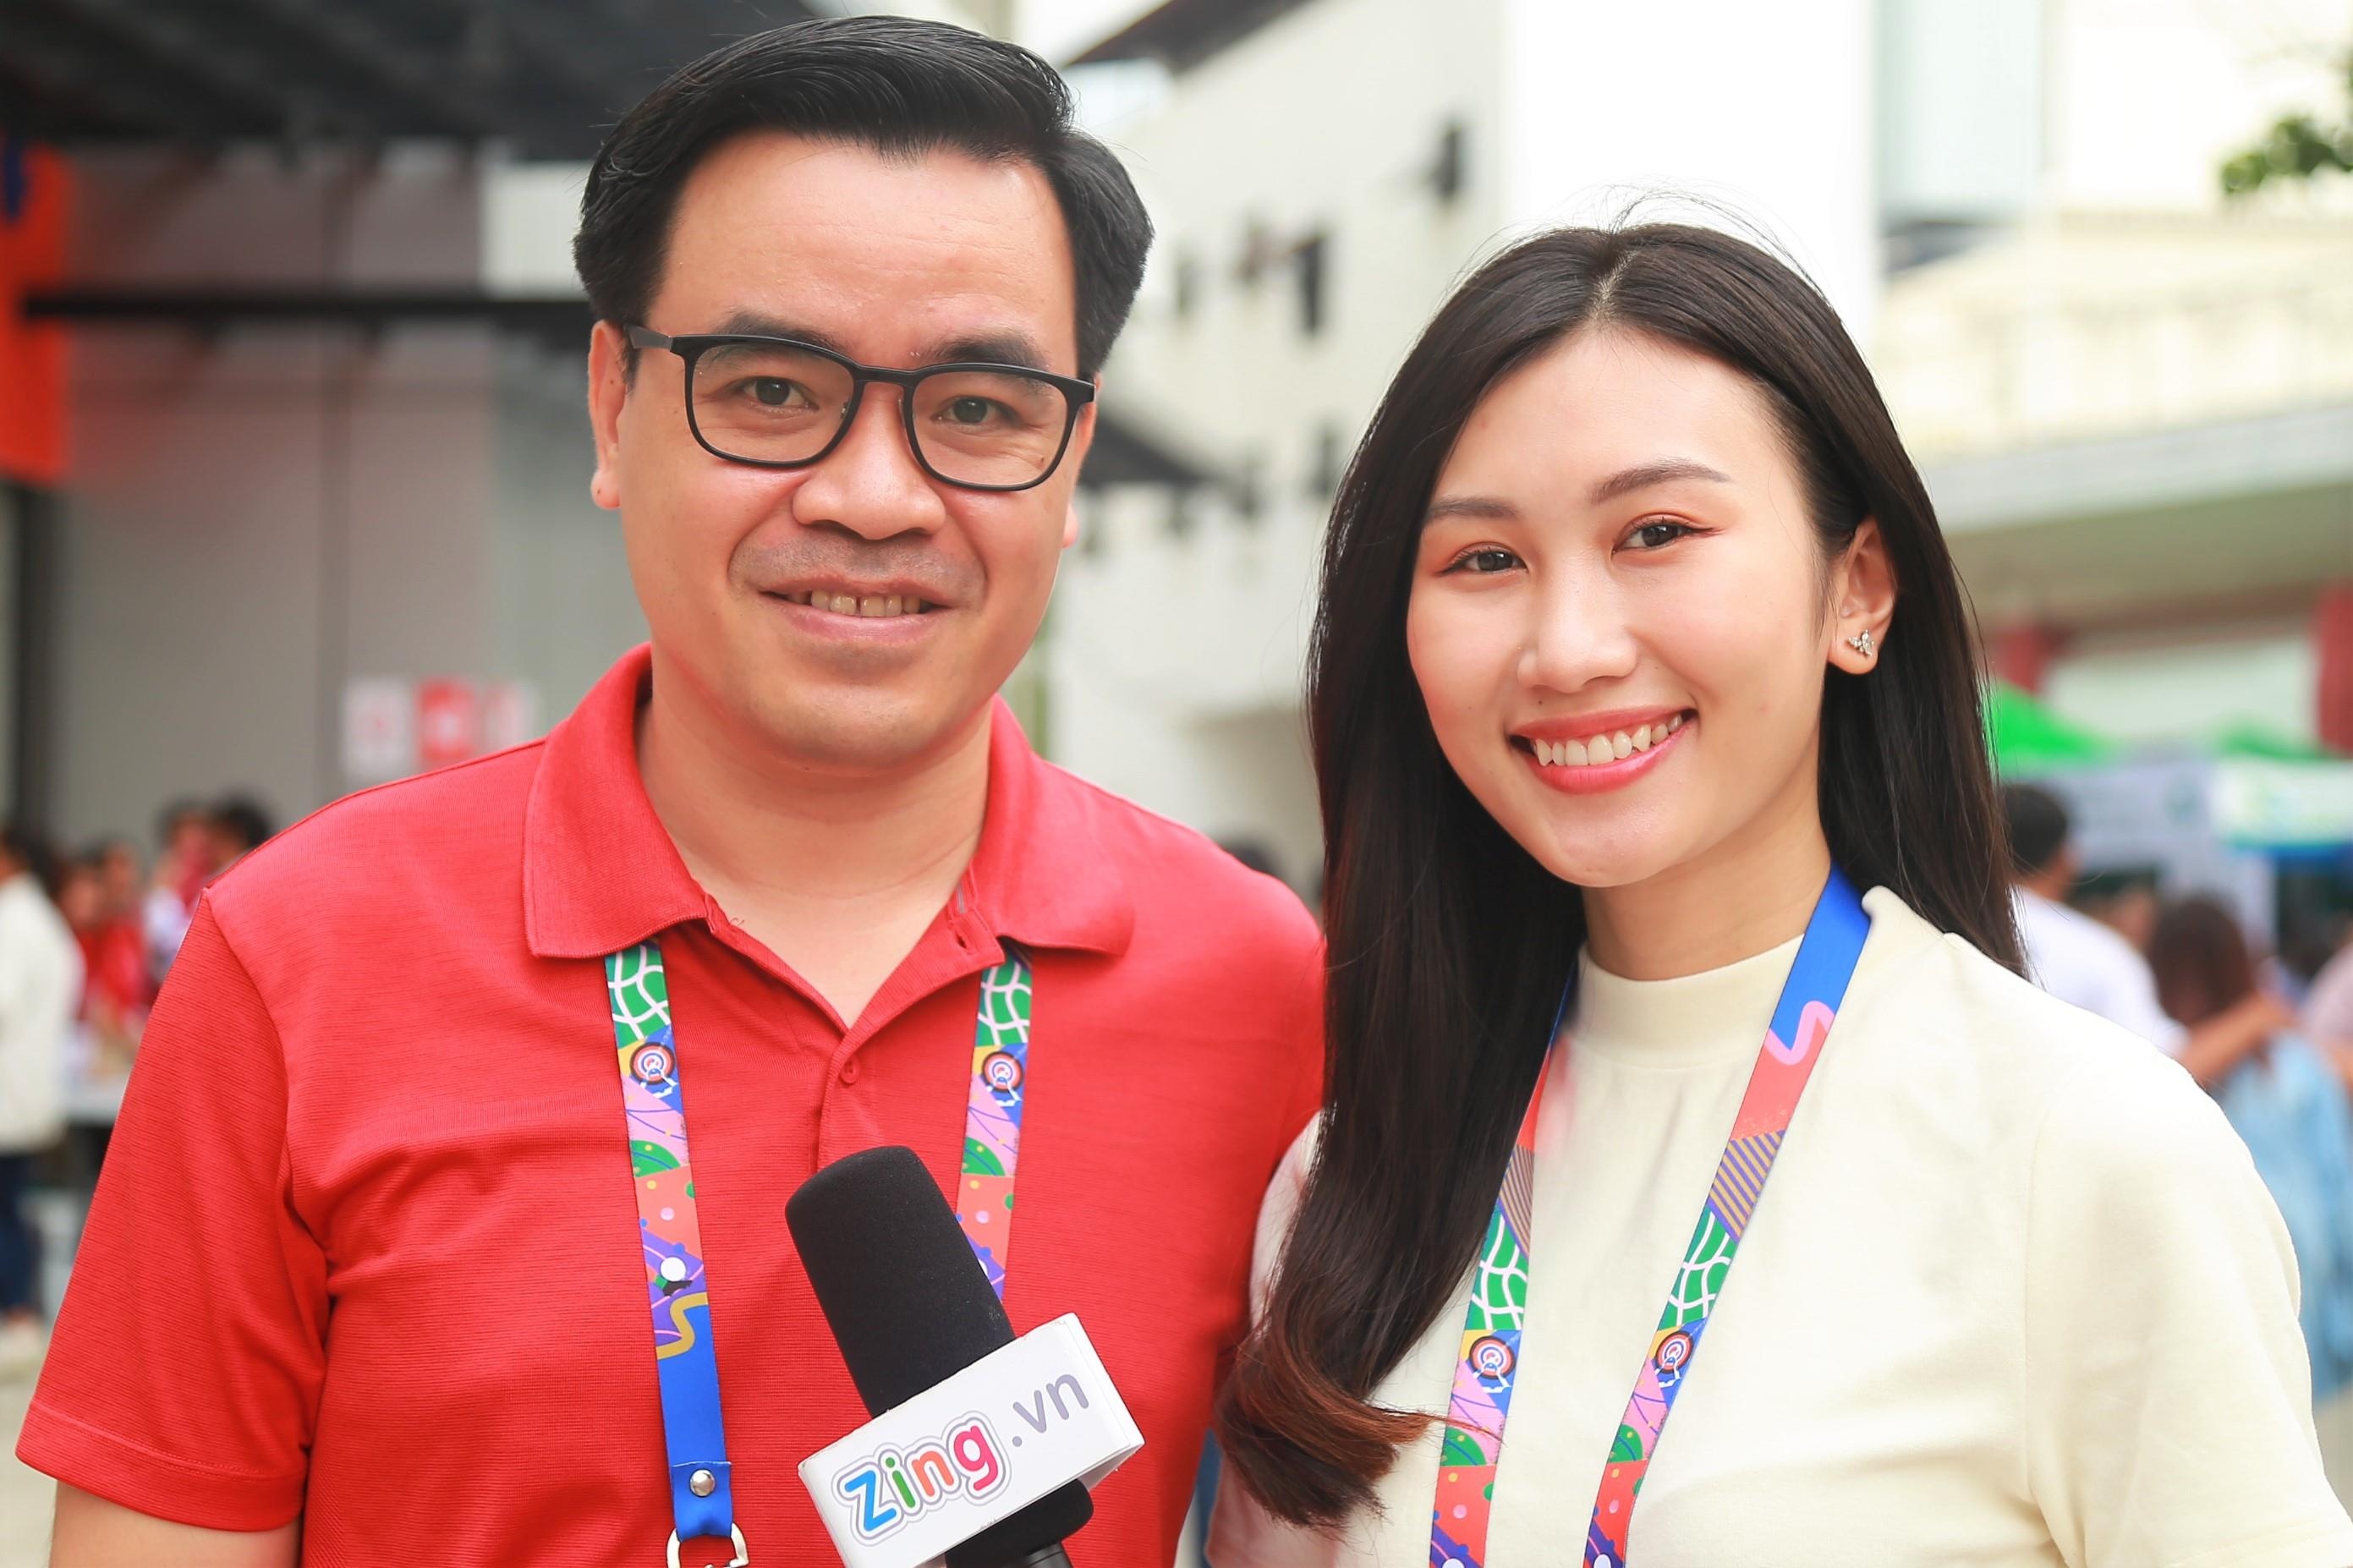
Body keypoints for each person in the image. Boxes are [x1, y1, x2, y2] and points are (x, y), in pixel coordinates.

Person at [21, 19, 1322, 1567]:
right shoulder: (298, 959)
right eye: (771, 389)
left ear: (1070, 457)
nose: (871, 494)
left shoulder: (1262, 989)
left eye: (978, 409)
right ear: (610, 407)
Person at [1207, 224, 2352, 1565]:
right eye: (1481, 560)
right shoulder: (1346, 1182)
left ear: (1856, 590)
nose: (1568, 646)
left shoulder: (2077, 1150)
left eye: (1655, 532)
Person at [2147, 898, 2353, 1423]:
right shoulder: (2294, 1067)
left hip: (2204, 1311)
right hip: (2308, 1307)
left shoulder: (2146, 1069)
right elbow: (2340, 1197)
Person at [2005, 780, 2291, 1082]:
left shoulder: (1958, 940)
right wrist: (2257, 1017)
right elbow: (2170, 1068)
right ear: (2068, 859)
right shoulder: (2098, 954)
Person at [0, 824, 80, 1379]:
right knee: (12, 1209)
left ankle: (18, 1316)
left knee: (4, 1213)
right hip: (27, 1093)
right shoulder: (46, 922)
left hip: (9, 1093)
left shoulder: (15, 920)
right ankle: (21, 1315)